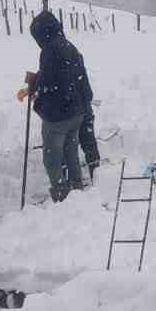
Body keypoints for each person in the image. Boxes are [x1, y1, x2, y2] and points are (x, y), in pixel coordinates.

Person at [24, 10, 94, 201]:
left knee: (51, 157)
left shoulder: (49, 50)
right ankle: (77, 185)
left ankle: (61, 192)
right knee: (70, 150)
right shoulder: (69, 45)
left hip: (58, 115)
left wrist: (35, 85)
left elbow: (50, 83)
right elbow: (68, 76)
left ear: (41, 34)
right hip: (76, 111)